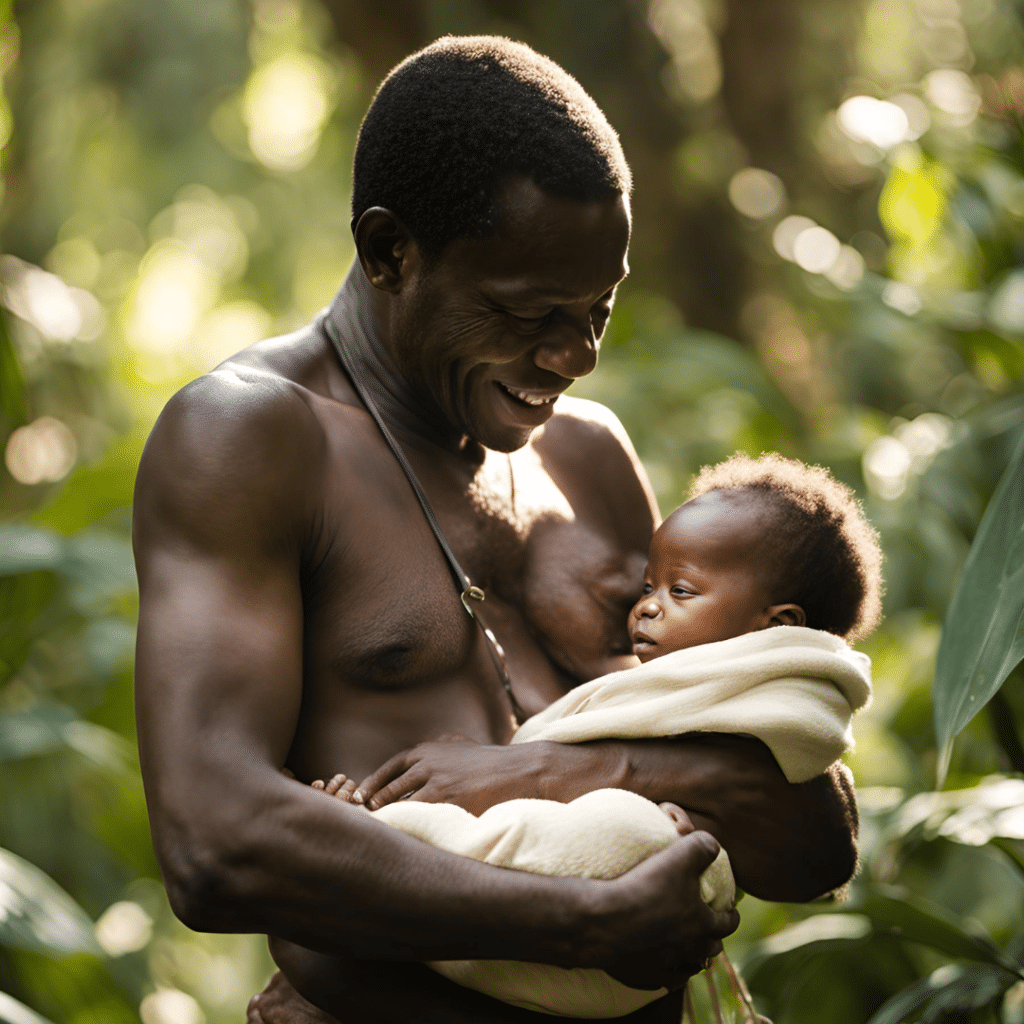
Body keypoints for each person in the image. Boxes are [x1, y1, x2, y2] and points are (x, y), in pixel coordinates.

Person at [132, 36, 859, 1024]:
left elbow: (816, 838)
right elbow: (214, 843)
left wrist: (568, 767)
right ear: (391, 251)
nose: (577, 356)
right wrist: (578, 925)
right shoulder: (252, 438)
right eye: (529, 312)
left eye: (599, 308)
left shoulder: (590, 458)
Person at [309, 453, 881, 1017]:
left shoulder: (771, 693)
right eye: (647, 587)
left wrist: (533, 767)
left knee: (622, 826)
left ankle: (369, 830)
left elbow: (827, 844)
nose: (645, 609)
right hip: (470, 959)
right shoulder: (292, 444)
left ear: (778, 627)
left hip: (639, 930)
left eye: (679, 592)